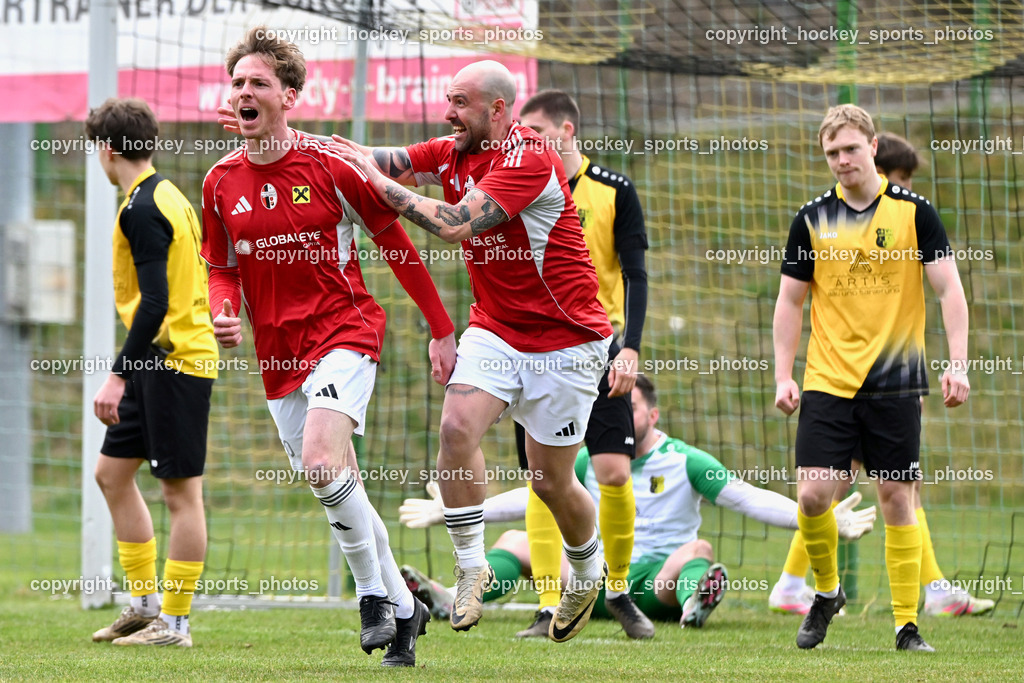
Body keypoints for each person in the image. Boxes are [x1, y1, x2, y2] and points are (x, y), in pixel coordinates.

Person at [333, 61, 615, 642]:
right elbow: (379, 158)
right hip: (494, 328)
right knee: (457, 428)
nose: (447, 112)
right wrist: (294, 141)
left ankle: (586, 573)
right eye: (447, 100)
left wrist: (378, 182)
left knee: (550, 483)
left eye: (460, 102)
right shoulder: (453, 150)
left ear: (497, 110)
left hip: (568, 339)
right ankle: (470, 566)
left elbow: (456, 224)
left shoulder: (527, 157)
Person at [201, 27, 456, 667]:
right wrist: (224, 312)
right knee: (337, 482)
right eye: (237, 83)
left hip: (346, 330)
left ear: (290, 95)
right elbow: (222, 267)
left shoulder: (333, 165)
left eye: (258, 82)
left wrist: (441, 326)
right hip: (278, 354)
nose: (244, 92)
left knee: (322, 461)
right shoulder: (218, 182)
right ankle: (406, 608)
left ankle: (371, 595)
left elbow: (394, 244)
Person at [397, 374, 877, 630]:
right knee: (516, 540)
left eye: (631, 407)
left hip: (657, 583)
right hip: (591, 582)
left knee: (699, 552)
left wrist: (815, 516)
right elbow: (537, 494)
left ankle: (695, 600)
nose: (622, 417)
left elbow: (745, 498)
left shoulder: (686, 460)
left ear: (653, 413)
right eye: (616, 408)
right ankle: (450, 596)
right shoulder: (592, 459)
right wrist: (456, 510)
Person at [768, 131, 993, 619]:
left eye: (849, 150)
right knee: (835, 490)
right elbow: (790, 299)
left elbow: (947, 289)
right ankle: (809, 585)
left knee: (886, 489)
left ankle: (912, 597)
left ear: (869, 149)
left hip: (892, 379)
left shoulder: (912, 214)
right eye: (834, 153)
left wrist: (955, 364)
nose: (843, 162)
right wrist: (784, 374)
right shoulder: (819, 219)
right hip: (838, 381)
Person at [507, 90, 651, 639]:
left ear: (567, 130)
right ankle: (549, 604)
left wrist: (631, 345)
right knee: (543, 480)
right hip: (537, 350)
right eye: (522, 132)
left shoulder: (614, 191)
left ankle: (616, 591)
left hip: (601, 346)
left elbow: (636, 274)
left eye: (537, 132)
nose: (527, 141)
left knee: (612, 471)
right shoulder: (515, 187)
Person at [85, 97, 218, 647]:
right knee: (111, 474)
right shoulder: (162, 194)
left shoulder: (144, 207)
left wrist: (117, 374)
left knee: (181, 494)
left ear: (109, 150)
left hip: (175, 362)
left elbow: (157, 300)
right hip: (156, 361)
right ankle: (141, 606)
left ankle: (176, 624)